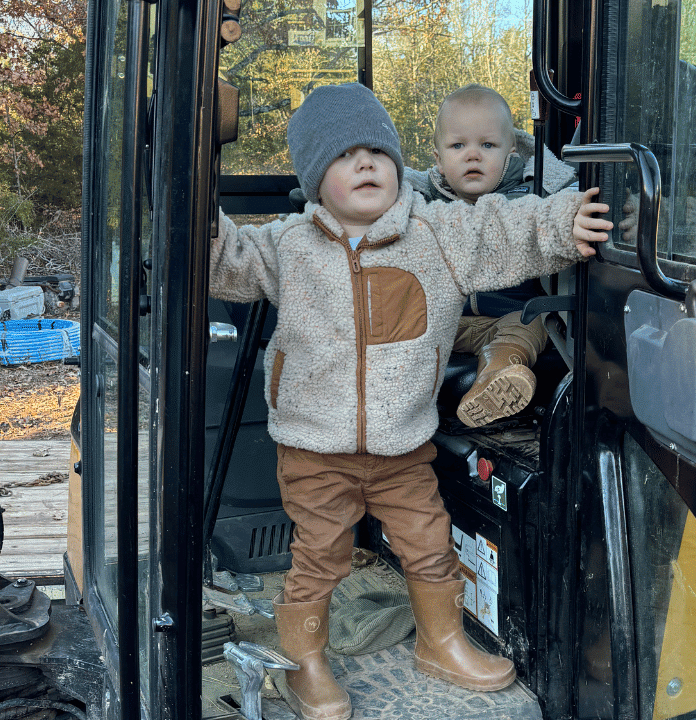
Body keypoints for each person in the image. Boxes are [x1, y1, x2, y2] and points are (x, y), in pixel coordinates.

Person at [208, 83, 612, 720]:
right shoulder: (289, 246)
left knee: (429, 545)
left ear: (401, 166)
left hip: (401, 447)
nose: (366, 163)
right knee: (319, 556)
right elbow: (225, 260)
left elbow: (505, 228)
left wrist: (565, 223)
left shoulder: (437, 233)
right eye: (345, 157)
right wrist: (194, 202)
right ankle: (306, 664)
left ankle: (441, 641)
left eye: (378, 151)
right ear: (316, 179)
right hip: (315, 450)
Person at [421, 84, 578, 428]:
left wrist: (619, 212)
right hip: (451, 321)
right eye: (458, 145)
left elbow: (575, 203)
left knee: (531, 325)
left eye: (487, 145)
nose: (473, 155)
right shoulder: (425, 200)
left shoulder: (531, 193)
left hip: (514, 314)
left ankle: (497, 378)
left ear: (511, 152)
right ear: (439, 159)